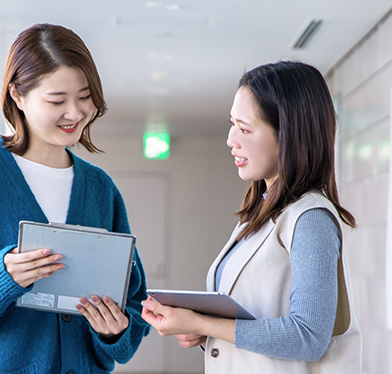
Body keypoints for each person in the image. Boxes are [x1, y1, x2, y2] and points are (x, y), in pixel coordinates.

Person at [0, 23, 149, 374]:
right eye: (57, 100)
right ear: (17, 95)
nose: (75, 113)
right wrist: (1, 275)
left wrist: (115, 330)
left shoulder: (100, 189)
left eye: (84, 96)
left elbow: (133, 300)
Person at [141, 61, 362, 373]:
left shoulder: (310, 219)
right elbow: (257, 321)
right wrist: (204, 331)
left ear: (290, 136)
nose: (231, 139)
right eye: (232, 124)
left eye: (245, 129)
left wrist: (203, 321)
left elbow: (309, 337)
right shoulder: (260, 211)